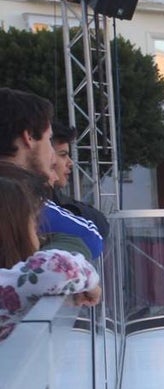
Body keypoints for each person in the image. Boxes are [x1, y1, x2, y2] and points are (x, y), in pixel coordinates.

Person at [0, 88, 103, 261]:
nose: (53, 156)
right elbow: (91, 236)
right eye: (49, 139)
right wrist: (63, 269)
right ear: (29, 137)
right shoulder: (17, 192)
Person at [0, 175, 101, 341]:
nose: (39, 234)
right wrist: (92, 284)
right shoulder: (7, 284)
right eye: (34, 224)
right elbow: (62, 267)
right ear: (13, 231)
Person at [48, 121, 110, 237]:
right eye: (63, 154)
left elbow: (101, 225)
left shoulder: (57, 201)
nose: (70, 162)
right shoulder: (33, 205)